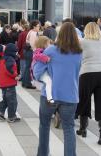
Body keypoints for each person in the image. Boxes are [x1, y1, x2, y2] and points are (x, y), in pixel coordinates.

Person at [33, 22, 82, 156]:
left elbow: (37, 72)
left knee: (44, 126)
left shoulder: (50, 50)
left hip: (50, 95)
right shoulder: (79, 53)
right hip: (70, 95)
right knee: (69, 128)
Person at [75, 22, 101, 145]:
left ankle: (83, 129)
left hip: (87, 73)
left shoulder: (82, 41)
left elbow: (77, 57)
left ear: (86, 30)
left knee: (84, 101)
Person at [0, 43, 20, 123]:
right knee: (12, 101)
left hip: (3, 83)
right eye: (15, 52)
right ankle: (11, 117)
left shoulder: (3, 58)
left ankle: (0, 112)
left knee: (6, 99)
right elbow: (9, 69)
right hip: (9, 83)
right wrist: (15, 75)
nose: (16, 53)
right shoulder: (10, 59)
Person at [32, 36, 53, 103]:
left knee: (49, 82)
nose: (49, 45)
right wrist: (46, 58)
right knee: (49, 81)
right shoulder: (38, 50)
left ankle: (49, 97)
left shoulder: (43, 50)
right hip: (39, 72)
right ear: (44, 44)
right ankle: (49, 98)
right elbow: (36, 56)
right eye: (48, 43)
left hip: (41, 71)